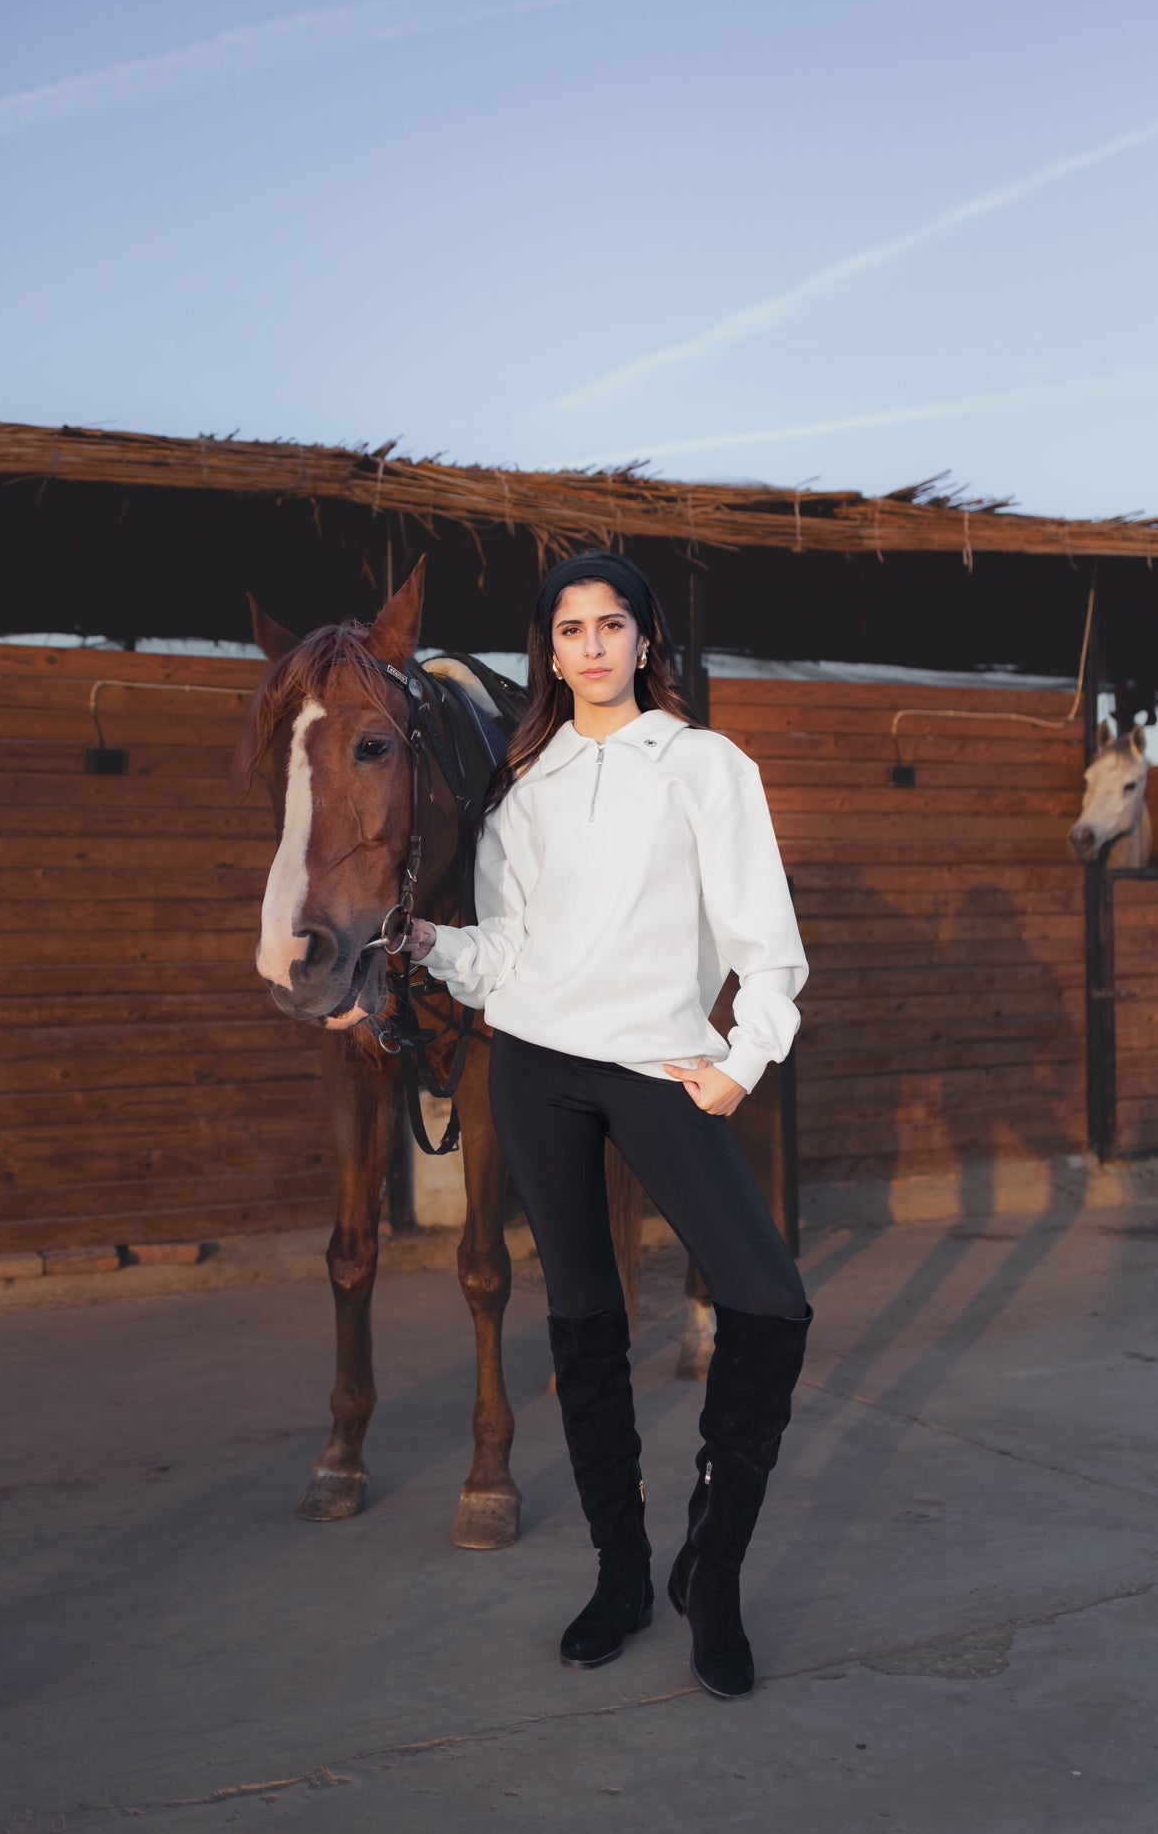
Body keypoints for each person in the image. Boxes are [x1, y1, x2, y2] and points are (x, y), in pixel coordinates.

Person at [403, 551, 811, 1701]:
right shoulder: (519, 788)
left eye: (611, 623)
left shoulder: (704, 765)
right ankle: (621, 1571)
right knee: (585, 1324)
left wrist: (741, 1061)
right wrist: (436, 947)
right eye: (569, 627)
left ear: (645, 640)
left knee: (770, 1302)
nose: (590, 643)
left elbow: (764, 938)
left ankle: (711, 1565)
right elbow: (507, 953)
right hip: (536, 1062)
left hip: (657, 1064)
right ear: (548, 650)